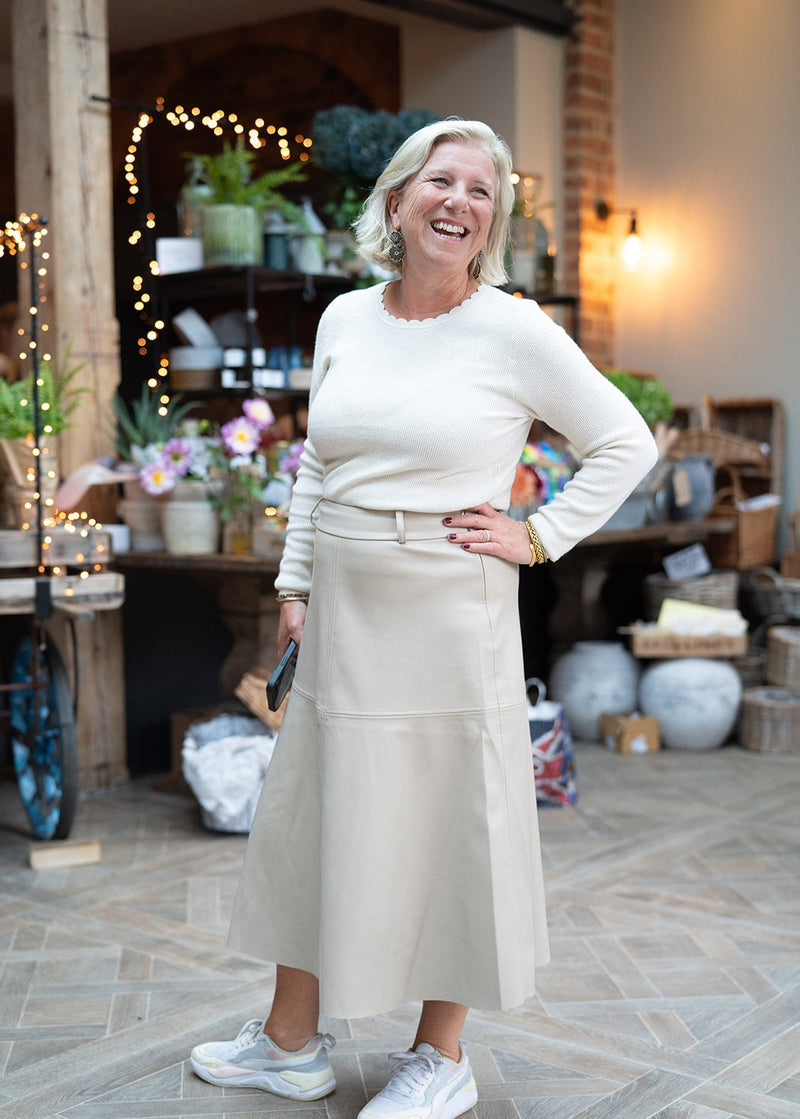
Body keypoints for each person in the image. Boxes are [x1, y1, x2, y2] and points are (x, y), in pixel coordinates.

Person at [190, 119, 657, 1118]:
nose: (458, 200)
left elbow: (623, 441)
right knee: (314, 815)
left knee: (450, 822)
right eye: (438, 181)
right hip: (342, 610)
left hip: (451, 610)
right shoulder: (347, 321)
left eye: (480, 190)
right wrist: (293, 583)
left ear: (490, 221)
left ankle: (438, 1056)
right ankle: (289, 1043)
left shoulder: (514, 329)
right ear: (395, 202)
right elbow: (317, 464)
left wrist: (537, 535)